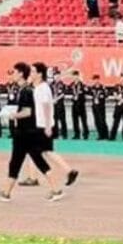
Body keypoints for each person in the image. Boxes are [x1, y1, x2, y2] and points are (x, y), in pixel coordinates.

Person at [0, 62, 60, 202]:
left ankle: (6, 193)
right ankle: (55, 189)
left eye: (14, 72)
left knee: (18, 161)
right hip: (25, 132)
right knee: (33, 161)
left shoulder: (27, 91)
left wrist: (11, 115)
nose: (13, 75)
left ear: (21, 73)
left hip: (25, 133)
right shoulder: (23, 90)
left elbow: (28, 112)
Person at [29, 62, 80, 193]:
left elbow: (46, 106)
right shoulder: (39, 87)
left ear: (40, 74)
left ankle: (40, 179)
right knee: (45, 151)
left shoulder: (43, 88)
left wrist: (47, 125)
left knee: (37, 151)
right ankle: (68, 171)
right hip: (41, 124)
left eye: (33, 71)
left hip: (43, 125)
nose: (31, 74)